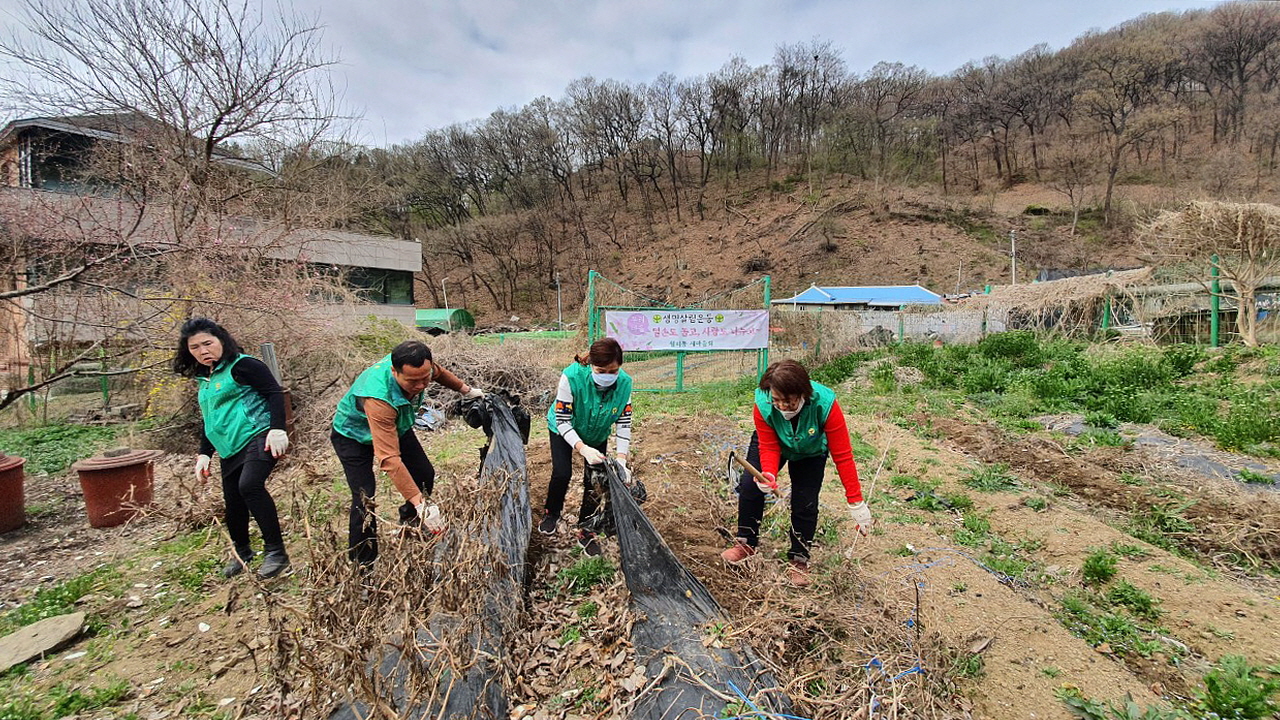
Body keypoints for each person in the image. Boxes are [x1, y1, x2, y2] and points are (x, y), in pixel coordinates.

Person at [720, 359, 873, 587]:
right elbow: (768, 445)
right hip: (773, 442)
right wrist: (769, 473)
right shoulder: (763, 402)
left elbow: (843, 455)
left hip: (811, 450)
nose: (781, 406)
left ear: (802, 394)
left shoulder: (825, 404)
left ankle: (799, 559)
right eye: (776, 400)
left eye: (788, 401)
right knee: (751, 486)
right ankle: (746, 544)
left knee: (805, 502)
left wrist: (856, 502)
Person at [331, 340, 483, 566]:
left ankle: (410, 520)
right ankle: (362, 566)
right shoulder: (379, 398)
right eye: (412, 381)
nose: (421, 385)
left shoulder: (420, 368)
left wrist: (467, 391)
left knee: (424, 474)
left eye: (425, 378)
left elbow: (439, 373)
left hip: (396, 426)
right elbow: (389, 459)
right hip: (353, 435)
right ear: (395, 372)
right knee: (364, 499)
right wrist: (422, 504)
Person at [172, 318, 292, 579]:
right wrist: (204, 454)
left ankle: (276, 553)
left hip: (258, 434)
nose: (203, 351)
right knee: (233, 501)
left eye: (208, 343)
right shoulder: (204, 379)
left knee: (250, 486)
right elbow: (210, 419)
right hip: (229, 447)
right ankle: (242, 552)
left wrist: (277, 428)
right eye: (195, 347)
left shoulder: (244, 365)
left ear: (221, 340)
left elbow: (274, 393)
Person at [540, 337, 633, 556]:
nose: (608, 376)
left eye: (613, 371)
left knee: (595, 481)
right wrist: (582, 448)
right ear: (591, 364)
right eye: (601, 371)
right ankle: (551, 512)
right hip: (564, 427)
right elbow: (563, 420)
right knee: (562, 473)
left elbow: (624, 423)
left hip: (597, 430)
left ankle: (586, 528)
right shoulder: (571, 377)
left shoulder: (625, 384)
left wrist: (621, 459)